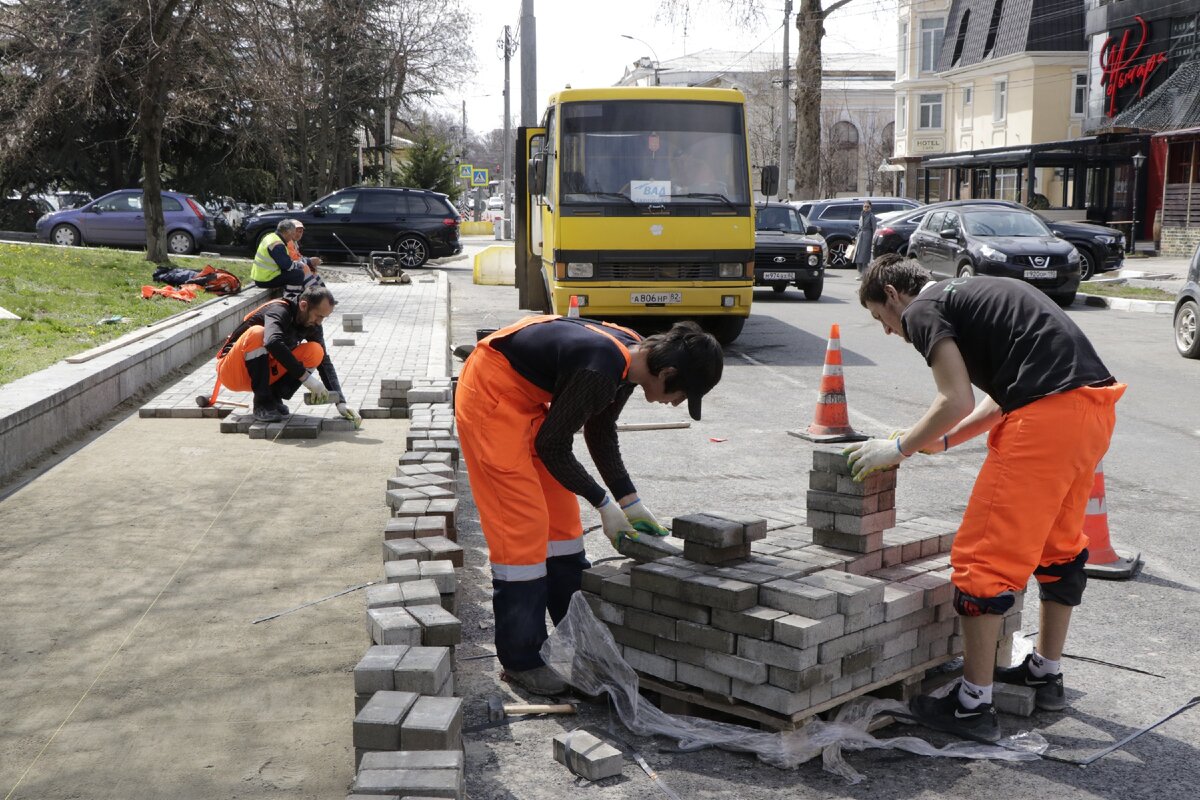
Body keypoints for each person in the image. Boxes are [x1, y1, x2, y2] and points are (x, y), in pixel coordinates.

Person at [845, 254, 1124, 742]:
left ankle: (972, 705)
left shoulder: (923, 309)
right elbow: (1000, 394)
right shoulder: (974, 295)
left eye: (879, 318)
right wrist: (945, 441)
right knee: (1059, 548)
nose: (890, 330)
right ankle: (1045, 672)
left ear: (893, 294)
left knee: (982, 559)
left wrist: (898, 446)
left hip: (1045, 422)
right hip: (1092, 412)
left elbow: (954, 399)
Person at [455, 316, 724, 695]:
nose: (674, 404)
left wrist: (630, 502)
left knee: (562, 523)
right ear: (666, 373)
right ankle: (522, 659)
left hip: (528, 404)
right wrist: (603, 504)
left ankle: (573, 631)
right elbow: (553, 445)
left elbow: (600, 429)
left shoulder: (634, 355)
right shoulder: (601, 367)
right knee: (522, 527)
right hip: (491, 397)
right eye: (679, 396)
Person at [215, 284, 360, 427]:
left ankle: (274, 397)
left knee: (316, 351)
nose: (319, 322)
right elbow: (272, 342)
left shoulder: (311, 324)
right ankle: (262, 403)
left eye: (323, 318)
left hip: (261, 375)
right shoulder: (279, 310)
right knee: (258, 333)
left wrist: (340, 401)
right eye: (318, 316)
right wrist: (307, 380)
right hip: (232, 372)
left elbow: (324, 362)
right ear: (303, 306)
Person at [250, 219, 311, 292]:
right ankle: (291, 298)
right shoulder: (277, 245)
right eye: (293, 233)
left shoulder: (271, 236)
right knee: (298, 274)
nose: (292, 237)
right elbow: (287, 266)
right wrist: (299, 265)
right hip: (266, 279)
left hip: (262, 276)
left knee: (296, 271)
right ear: (287, 232)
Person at [852, 201, 875, 277]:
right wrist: (856, 237)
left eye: (867, 207)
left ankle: (864, 275)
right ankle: (860, 273)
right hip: (860, 236)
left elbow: (874, 228)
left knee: (864, 256)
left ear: (870, 208)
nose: (866, 208)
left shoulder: (871, 216)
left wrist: (873, 239)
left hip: (867, 236)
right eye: (865, 206)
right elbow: (859, 227)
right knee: (858, 256)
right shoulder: (862, 215)